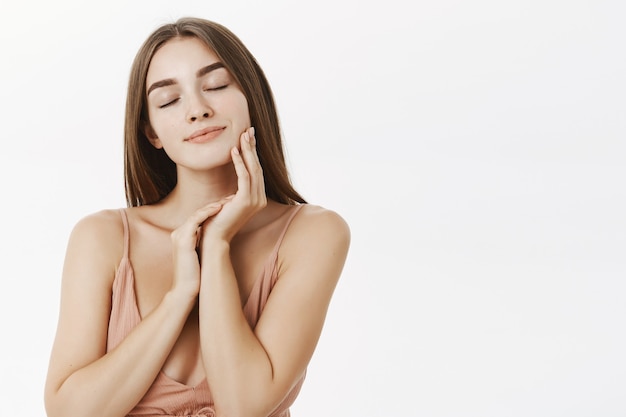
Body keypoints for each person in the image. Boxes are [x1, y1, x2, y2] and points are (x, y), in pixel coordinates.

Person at [44, 17, 350, 417]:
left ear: (250, 97)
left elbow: (244, 405)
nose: (197, 110)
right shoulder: (102, 238)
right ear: (151, 133)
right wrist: (178, 298)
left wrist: (218, 244)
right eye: (169, 100)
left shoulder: (313, 233)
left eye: (217, 85)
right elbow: (69, 413)